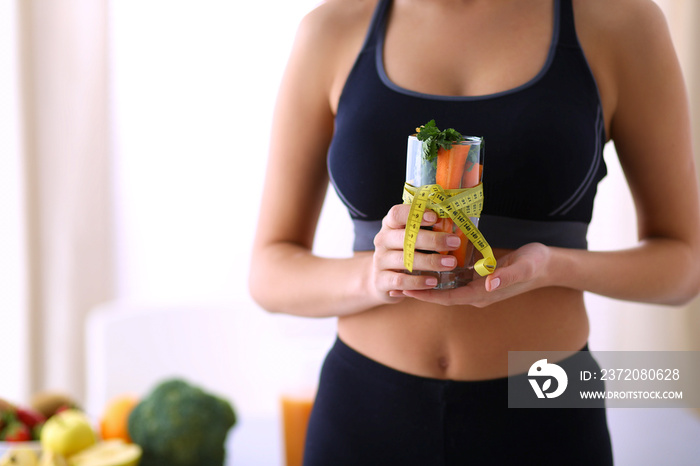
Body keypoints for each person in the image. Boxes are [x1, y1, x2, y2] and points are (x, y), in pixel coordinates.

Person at [249, 0, 700, 464]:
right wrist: (373, 278)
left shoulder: (619, 23)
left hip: (546, 405)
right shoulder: (332, 28)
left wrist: (554, 267)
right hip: (365, 409)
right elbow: (269, 271)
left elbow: (683, 265)